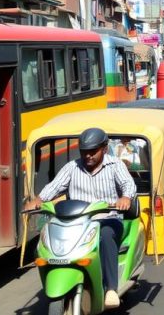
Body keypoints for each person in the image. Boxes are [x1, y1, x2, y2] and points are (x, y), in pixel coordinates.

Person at [26, 128, 135, 309]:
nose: (88, 156)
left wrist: (125, 198)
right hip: (76, 222)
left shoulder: (115, 165)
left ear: (104, 149)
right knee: (47, 237)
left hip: (107, 218)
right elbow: (54, 187)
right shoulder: (72, 167)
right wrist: (38, 200)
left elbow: (127, 184)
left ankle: (111, 290)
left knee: (107, 237)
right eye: (84, 152)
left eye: (93, 151)